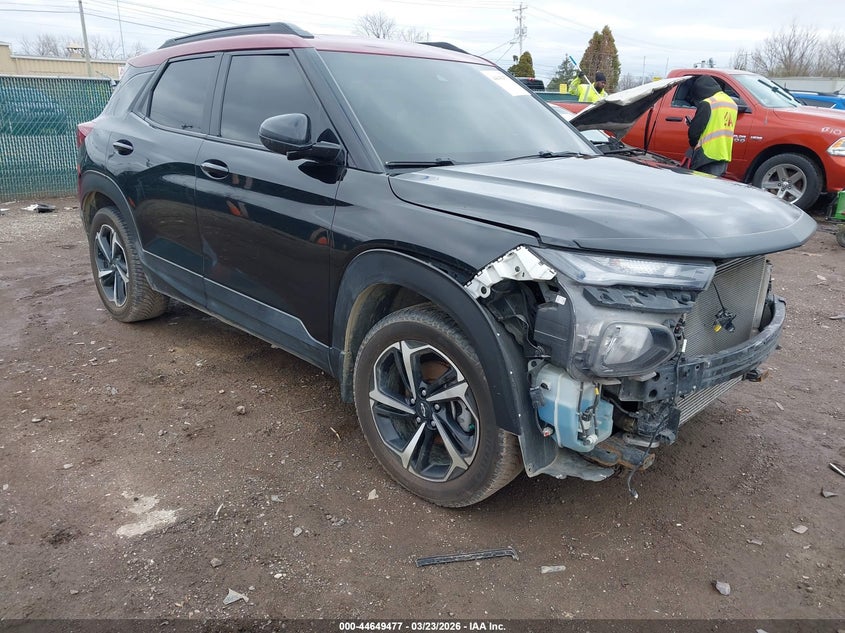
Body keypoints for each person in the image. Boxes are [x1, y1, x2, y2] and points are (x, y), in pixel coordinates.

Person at [685, 75, 738, 176]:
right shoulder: (732, 103)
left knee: (699, 187)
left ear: (700, 91)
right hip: (724, 154)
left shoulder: (707, 103)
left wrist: (693, 143)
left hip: (706, 155)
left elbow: (694, 132)